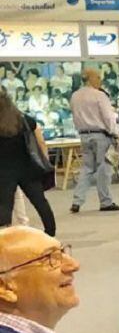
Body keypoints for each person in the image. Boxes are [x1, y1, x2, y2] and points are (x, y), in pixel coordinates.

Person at [0, 91, 55, 235]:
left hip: (4, 171)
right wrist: (45, 160)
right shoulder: (24, 119)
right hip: (27, 168)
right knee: (40, 201)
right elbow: (40, 140)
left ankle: (4, 235)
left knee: (5, 204)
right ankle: (50, 231)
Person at [70, 68, 119, 214]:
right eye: (98, 77)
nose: (100, 80)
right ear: (90, 79)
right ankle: (105, 201)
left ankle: (77, 201)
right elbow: (108, 117)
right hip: (101, 135)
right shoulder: (99, 95)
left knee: (87, 168)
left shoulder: (75, 96)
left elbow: (75, 116)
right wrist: (115, 133)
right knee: (104, 168)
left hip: (84, 135)